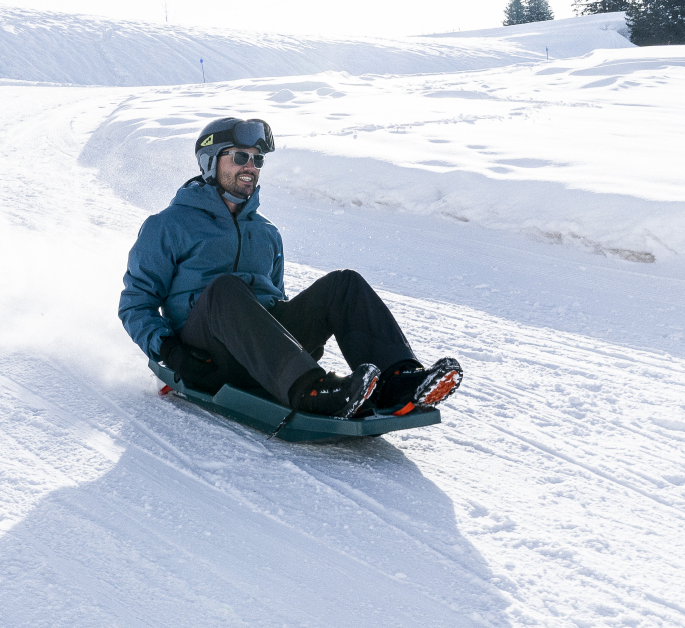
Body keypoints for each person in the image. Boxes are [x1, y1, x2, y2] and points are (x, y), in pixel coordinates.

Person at [119, 116, 463, 419]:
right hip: (205, 356)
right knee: (226, 289)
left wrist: (298, 343)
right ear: (210, 162)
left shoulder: (267, 233)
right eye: (240, 157)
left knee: (344, 285)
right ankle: (311, 390)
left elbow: (274, 299)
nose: (250, 166)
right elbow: (136, 302)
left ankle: (399, 382)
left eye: (257, 160)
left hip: (260, 356)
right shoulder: (168, 225)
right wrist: (171, 353)